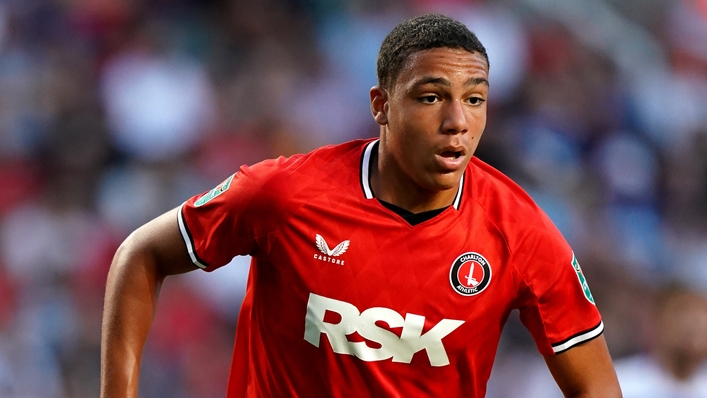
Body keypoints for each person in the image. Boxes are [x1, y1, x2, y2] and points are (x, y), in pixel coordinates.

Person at [101, 13, 622, 397]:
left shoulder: (521, 233)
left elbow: (596, 388)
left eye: (475, 98)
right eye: (430, 96)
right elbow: (140, 255)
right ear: (381, 105)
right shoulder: (286, 196)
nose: (457, 121)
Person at [615, 282, 707, 397]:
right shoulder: (620, 384)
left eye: (702, 314)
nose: (693, 323)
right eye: (682, 312)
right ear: (657, 318)